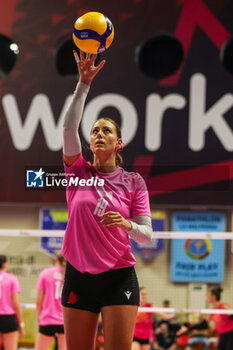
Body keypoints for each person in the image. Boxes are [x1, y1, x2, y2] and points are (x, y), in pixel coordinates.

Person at [61, 50, 152, 350]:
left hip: (118, 277)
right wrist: (83, 84)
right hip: (78, 275)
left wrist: (126, 224)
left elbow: (147, 236)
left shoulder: (133, 182)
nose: (99, 134)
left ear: (118, 143)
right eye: (95, 130)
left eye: (107, 131)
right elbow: (67, 128)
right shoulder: (77, 172)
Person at [34, 252, 66, 350]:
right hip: (65, 321)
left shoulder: (46, 273)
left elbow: (39, 301)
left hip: (47, 319)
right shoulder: (70, 274)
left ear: (56, 259)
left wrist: (39, 319)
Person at [0, 255, 25, 350]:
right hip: (8, 318)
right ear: (5, 264)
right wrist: (21, 325)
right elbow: (16, 304)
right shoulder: (12, 278)